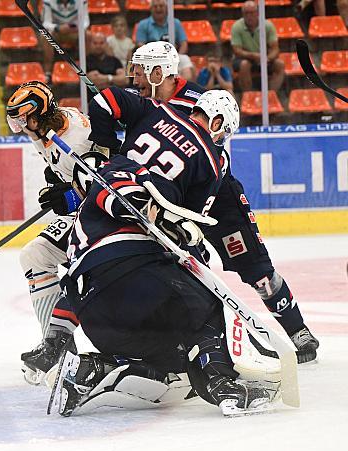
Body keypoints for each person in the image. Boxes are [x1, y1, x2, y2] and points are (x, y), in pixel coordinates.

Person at [50, 89, 274, 417]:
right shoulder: (211, 161)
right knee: (204, 305)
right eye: (224, 131)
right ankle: (222, 383)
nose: (222, 138)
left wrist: (105, 150)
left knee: (172, 359)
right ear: (216, 121)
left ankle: (92, 369)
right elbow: (185, 237)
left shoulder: (153, 112)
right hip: (135, 273)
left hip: (89, 299)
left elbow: (104, 100)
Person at [98, 40, 320, 364]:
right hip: (168, 195)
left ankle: (298, 330)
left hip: (219, 200)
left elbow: (218, 157)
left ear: (160, 73)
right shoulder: (139, 105)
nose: (135, 81)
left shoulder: (198, 101)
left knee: (256, 270)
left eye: (140, 73)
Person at [5, 81, 100, 385]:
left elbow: (109, 183)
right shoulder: (44, 130)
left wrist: (71, 196)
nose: (19, 127)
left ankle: (58, 354)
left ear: (37, 115)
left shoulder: (76, 136)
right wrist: (59, 183)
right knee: (34, 255)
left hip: (105, 218)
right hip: (86, 214)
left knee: (41, 256)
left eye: (21, 119)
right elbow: (65, 172)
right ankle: (58, 351)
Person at [231, 1, 285, 92]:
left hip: (265, 57)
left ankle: (271, 94)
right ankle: (248, 95)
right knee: (244, 65)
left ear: (257, 13)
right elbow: (237, 50)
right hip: (244, 57)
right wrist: (254, 56)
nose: (249, 16)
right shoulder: (236, 27)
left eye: (251, 13)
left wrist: (268, 58)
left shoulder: (268, 26)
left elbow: (275, 48)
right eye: (246, 13)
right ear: (242, 14)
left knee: (280, 64)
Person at [134, 0, 194, 81]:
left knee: (185, 60)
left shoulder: (175, 23)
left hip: (173, 57)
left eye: (161, 6)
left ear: (166, 8)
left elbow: (184, 44)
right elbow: (140, 45)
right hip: (152, 59)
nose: (158, 9)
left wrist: (175, 57)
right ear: (151, 9)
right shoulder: (143, 24)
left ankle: (180, 88)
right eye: (155, 6)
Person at [41, 0, 90, 82]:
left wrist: (77, 28)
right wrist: (57, 28)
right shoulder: (48, 1)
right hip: (57, 32)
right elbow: (46, 23)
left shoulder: (81, 1)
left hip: (75, 32)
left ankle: (87, 68)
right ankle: (48, 73)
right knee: (45, 35)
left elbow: (86, 21)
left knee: (88, 35)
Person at [86, 32, 128, 99]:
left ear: (106, 44)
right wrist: (113, 82)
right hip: (92, 99)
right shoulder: (85, 61)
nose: (98, 46)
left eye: (101, 43)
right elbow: (89, 81)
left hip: (113, 98)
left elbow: (125, 80)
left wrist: (107, 78)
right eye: (95, 43)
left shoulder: (114, 60)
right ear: (91, 44)